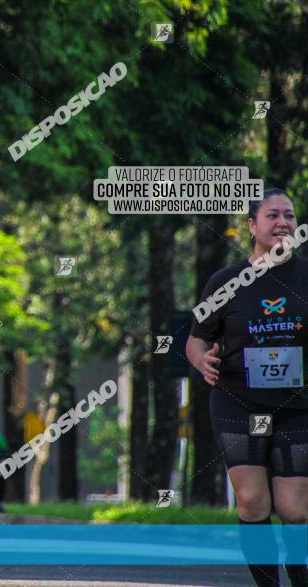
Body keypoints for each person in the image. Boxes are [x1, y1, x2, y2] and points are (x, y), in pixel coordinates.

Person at [186, 188, 308, 587]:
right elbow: (196, 338)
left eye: (289, 216)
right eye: (272, 215)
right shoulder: (225, 282)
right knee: (253, 502)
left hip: (298, 404)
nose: (283, 223)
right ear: (252, 225)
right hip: (238, 401)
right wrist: (200, 359)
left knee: (294, 508)